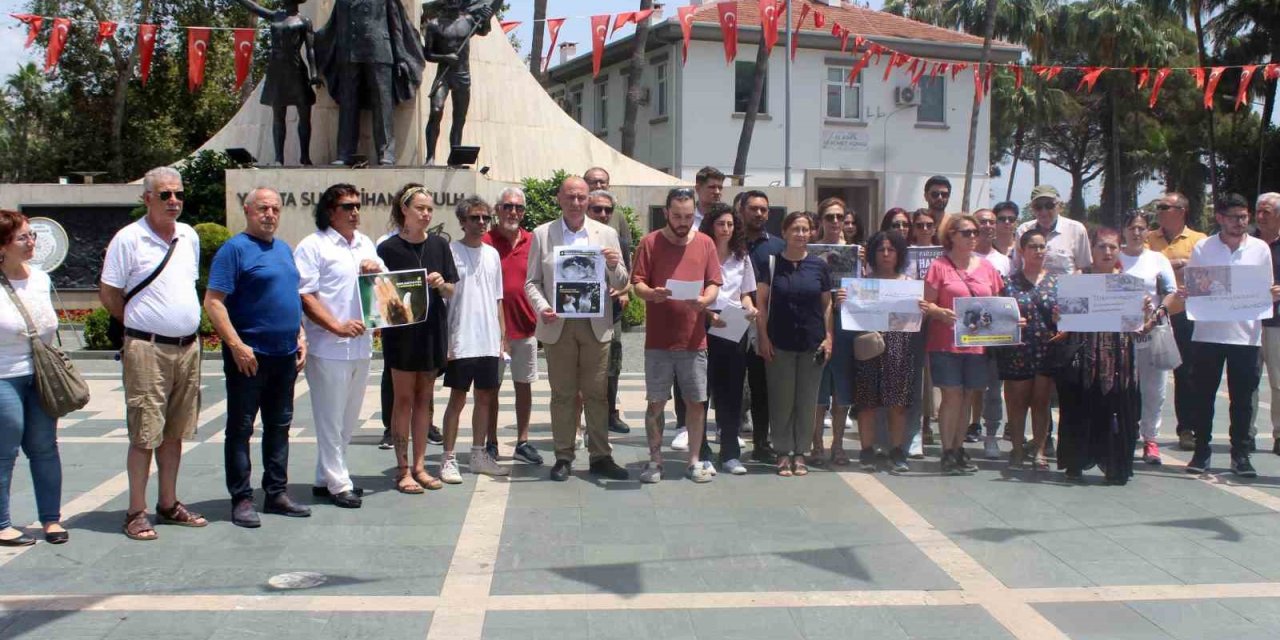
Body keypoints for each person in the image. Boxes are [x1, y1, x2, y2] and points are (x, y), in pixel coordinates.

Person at [100, 167, 206, 541]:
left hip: (188, 348)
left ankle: (169, 502)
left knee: (175, 432)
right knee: (145, 433)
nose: (174, 201)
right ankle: (135, 511)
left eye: (178, 194)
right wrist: (139, 326)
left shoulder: (188, 236)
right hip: (146, 348)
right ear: (146, 198)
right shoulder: (128, 239)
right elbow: (110, 293)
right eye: (165, 195)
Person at [204, 188, 311, 528]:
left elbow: (290, 296)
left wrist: (301, 335)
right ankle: (242, 498)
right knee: (241, 428)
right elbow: (214, 302)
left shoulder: (283, 249)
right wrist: (236, 345)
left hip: (284, 356)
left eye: (275, 209)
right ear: (248, 210)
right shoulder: (234, 250)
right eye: (263, 208)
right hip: (248, 356)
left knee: (279, 427)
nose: (270, 214)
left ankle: (276, 493)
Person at [524, 177, 630, 481]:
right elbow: (532, 281)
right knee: (563, 394)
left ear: (588, 200)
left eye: (582, 198)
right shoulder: (543, 234)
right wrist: (542, 306)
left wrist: (612, 265)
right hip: (558, 324)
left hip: (595, 324)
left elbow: (623, 282)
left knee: (597, 393)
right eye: (570, 197)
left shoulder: (606, 234)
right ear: (559, 198)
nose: (576, 203)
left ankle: (600, 456)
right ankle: (563, 456)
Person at [294, 184, 385, 508]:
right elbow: (305, 295)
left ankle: (326, 475)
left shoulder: (365, 244)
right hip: (328, 346)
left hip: (360, 344)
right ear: (330, 211)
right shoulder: (313, 246)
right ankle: (339, 481)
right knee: (330, 417)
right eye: (348, 206)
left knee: (349, 417)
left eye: (357, 206)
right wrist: (335, 325)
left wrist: (375, 272)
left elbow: (383, 290)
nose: (355, 212)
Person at [1183, 194, 1280, 477]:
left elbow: (1265, 287)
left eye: (1243, 217)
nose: (1240, 223)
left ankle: (1241, 454)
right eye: (1233, 217)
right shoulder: (1203, 247)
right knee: (1203, 396)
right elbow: (1197, 284)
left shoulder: (1260, 248)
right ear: (1220, 219)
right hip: (1207, 333)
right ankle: (1201, 452)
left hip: (1245, 337)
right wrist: (1190, 291)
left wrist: (1273, 293)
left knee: (1243, 399)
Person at [632, 188, 722, 483]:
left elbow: (714, 283)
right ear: (666, 213)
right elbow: (638, 284)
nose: (683, 222)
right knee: (656, 402)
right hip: (658, 341)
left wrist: (706, 301)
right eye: (676, 216)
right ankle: (655, 460)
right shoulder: (650, 242)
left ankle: (694, 460)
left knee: (697, 402)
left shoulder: (706, 243)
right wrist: (652, 294)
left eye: (687, 216)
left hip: (694, 340)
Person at [376, 185, 456, 491]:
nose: (426, 214)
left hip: (432, 329)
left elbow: (452, 289)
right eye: (420, 208)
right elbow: (379, 295)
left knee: (426, 399)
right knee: (404, 399)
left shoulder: (439, 245)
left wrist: (440, 284)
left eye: (430, 209)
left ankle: (421, 466)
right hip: (402, 334)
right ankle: (403, 468)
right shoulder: (388, 249)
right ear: (404, 210)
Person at [1055, 227, 1144, 485]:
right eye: (1101, 247)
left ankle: (1115, 465)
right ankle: (1076, 462)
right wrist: (1060, 315)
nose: (1107, 252)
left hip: (1119, 363)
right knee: (1079, 410)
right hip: (1084, 361)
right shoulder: (1078, 280)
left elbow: (1139, 328)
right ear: (1091, 250)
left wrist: (1144, 313)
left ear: (1119, 250)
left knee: (1117, 413)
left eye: (1112, 247)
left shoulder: (1128, 283)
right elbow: (1066, 323)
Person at [921, 214, 1006, 474]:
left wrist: (1012, 323)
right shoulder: (939, 266)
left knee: (969, 396)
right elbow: (925, 303)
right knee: (951, 395)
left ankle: (959, 449)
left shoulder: (988, 268)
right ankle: (947, 451)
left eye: (975, 232)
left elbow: (999, 303)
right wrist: (939, 313)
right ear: (951, 236)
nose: (972, 237)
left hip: (978, 345)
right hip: (945, 342)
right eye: (966, 232)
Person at [0, 211, 65, 546]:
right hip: (3, 375)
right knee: (5, 449)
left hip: (40, 374)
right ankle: (2, 523)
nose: (32, 242)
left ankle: (51, 519)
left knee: (44, 447)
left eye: (32, 235)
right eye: (22, 237)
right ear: (2, 246)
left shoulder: (40, 279)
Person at [756, 211, 835, 477]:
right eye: (795, 229)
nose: (800, 234)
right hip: (779, 342)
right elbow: (761, 305)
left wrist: (829, 337)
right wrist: (763, 338)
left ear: (811, 233)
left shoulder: (819, 266)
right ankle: (782, 451)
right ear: (785, 232)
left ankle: (800, 451)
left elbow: (827, 304)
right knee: (782, 400)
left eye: (805, 229)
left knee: (806, 401)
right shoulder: (772, 264)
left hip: (812, 343)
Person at [440, 196, 508, 480]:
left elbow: (498, 298)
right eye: (474, 218)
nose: (481, 223)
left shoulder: (492, 254)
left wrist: (501, 337)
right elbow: (442, 295)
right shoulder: (450, 251)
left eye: (485, 218)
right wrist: (445, 342)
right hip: (461, 338)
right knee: (457, 399)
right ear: (462, 221)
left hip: (488, 339)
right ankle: (448, 458)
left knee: (485, 397)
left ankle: (478, 454)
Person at [314, 0, 424, 165]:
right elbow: (334, 26)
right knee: (348, 105)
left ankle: (386, 152)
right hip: (348, 54)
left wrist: (401, 56)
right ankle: (344, 153)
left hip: (380, 52)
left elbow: (396, 25)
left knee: (383, 105)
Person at [483, 187, 544, 464]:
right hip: (492, 332)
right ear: (497, 210)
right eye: (507, 206)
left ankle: (523, 440)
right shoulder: (485, 241)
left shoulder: (533, 241)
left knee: (524, 386)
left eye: (518, 207)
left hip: (526, 328)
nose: (513, 212)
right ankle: (491, 441)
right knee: (490, 388)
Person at [697, 203, 758, 476]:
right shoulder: (698, 253)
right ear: (710, 225)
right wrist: (708, 314)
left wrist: (750, 308)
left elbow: (746, 292)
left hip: (734, 323)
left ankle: (730, 452)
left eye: (730, 224)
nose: (725, 229)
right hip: (703, 322)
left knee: (732, 390)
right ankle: (701, 451)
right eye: (721, 224)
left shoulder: (741, 257)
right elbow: (693, 294)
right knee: (701, 389)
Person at [852, 231, 917, 474]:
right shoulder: (863, 282)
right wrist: (844, 300)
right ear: (873, 254)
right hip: (870, 345)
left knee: (897, 402)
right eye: (881, 250)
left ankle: (897, 450)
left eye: (891, 249)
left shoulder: (908, 284)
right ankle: (866, 450)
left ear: (899, 253)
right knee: (867, 402)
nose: (886, 254)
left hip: (900, 345)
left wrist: (920, 306)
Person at [1147, 192, 1206, 451]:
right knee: (1146, 375)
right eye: (1158, 206)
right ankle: (1142, 429)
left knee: (1187, 375)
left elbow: (1203, 273)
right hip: (1150, 318)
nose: (1158, 210)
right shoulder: (1148, 238)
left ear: (1181, 210)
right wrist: (1177, 263)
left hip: (1185, 316)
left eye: (1164, 207)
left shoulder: (1200, 240)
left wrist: (1164, 266)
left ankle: (1187, 429)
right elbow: (1144, 268)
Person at [1118, 211, 1176, 465]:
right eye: (1131, 227)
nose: (1136, 232)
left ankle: (1150, 439)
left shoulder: (1157, 259)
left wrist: (1156, 315)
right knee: (1123, 387)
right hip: (1120, 335)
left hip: (1151, 331)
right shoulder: (1114, 257)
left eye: (1141, 228)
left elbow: (1171, 292)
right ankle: (1125, 435)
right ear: (1123, 230)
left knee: (1154, 389)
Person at [996, 229, 1058, 469]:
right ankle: (1018, 449)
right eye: (1033, 246)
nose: (1038, 251)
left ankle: (1040, 449)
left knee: (1041, 403)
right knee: (1017, 403)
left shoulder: (1055, 282)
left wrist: (1060, 317)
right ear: (1022, 251)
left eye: (1042, 246)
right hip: (1018, 351)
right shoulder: (1009, 283)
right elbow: (997, 318)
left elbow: (1069, 317)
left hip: (1047, 349)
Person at [233, 0, 321, 166]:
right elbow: (253, 7)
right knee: (278, 116)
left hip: (296, 68)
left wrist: (314, 73)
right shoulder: (275, 16)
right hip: (277, 70)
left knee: (304, 113)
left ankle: (305, 156)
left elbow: (310, 48)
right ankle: (278, 157)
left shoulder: (304, 21)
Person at [422, 0, 497, 166]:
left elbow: (483, 31)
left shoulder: (469, 20)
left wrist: (486, 19)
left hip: (462, 75)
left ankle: (454, 159)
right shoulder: (434, 25)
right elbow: (427, 54)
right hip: (444, 74)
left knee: (459, 118)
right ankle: (430, 157)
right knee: (436, 110)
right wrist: (445, 58)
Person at [810, 198, 855, 465]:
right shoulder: (811, 252)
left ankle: (837, 445)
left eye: (840, 217)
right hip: (818, 325)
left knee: (842, 390)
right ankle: (816, 444)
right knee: (819, 391)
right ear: (821, 221)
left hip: (846, 327)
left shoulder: (856, 254)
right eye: (830, 217)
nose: (836, 222)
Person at [586, 189, 633, 436]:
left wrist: (623, 289)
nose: (603, 215)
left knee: (611, 365)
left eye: (608, 211)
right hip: (579, 315)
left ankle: (610, 414)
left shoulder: (618, 240)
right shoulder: (572, 239)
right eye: (597, 210)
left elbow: (628, 276)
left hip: (610, 313)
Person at [743, 191, 784, 464]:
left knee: (762, 386)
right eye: (754, 208)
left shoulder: (779, 247)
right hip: (730, 320)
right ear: (742, 210)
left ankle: (761, 442)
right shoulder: (730, 242)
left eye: (764, 209)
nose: (759, 213)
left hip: (765, 324)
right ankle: (724, 439)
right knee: (728, 383)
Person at [969, 208, 1011, 455]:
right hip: (967, 334)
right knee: (965, 389)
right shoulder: (961, 256)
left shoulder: (1004, 260)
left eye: (991, 222)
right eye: (982, 221)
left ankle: (991, 435)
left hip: (994, 336)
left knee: (994, 389)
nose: (987, 226)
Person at [1015, 185, 1091, 276]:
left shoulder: (1077, 229)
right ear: (1032, 209)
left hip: (1066, 288)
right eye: (1038, 207)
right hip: (1030, 288)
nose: (1044, 211)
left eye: (1049, 205)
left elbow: (1084, 267)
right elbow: (1018, 267)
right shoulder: (1023, 230)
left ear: (1059, 206)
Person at [1256, 193, 1280, 456]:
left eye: (1267, 212)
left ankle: (1279, 433)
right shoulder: (1247, 242)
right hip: (1246, 322)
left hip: (1276, 323)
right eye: (1258, 211)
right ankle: (1245, 434)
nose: (1261, 217)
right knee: (1247, 381)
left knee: (1278, 381)